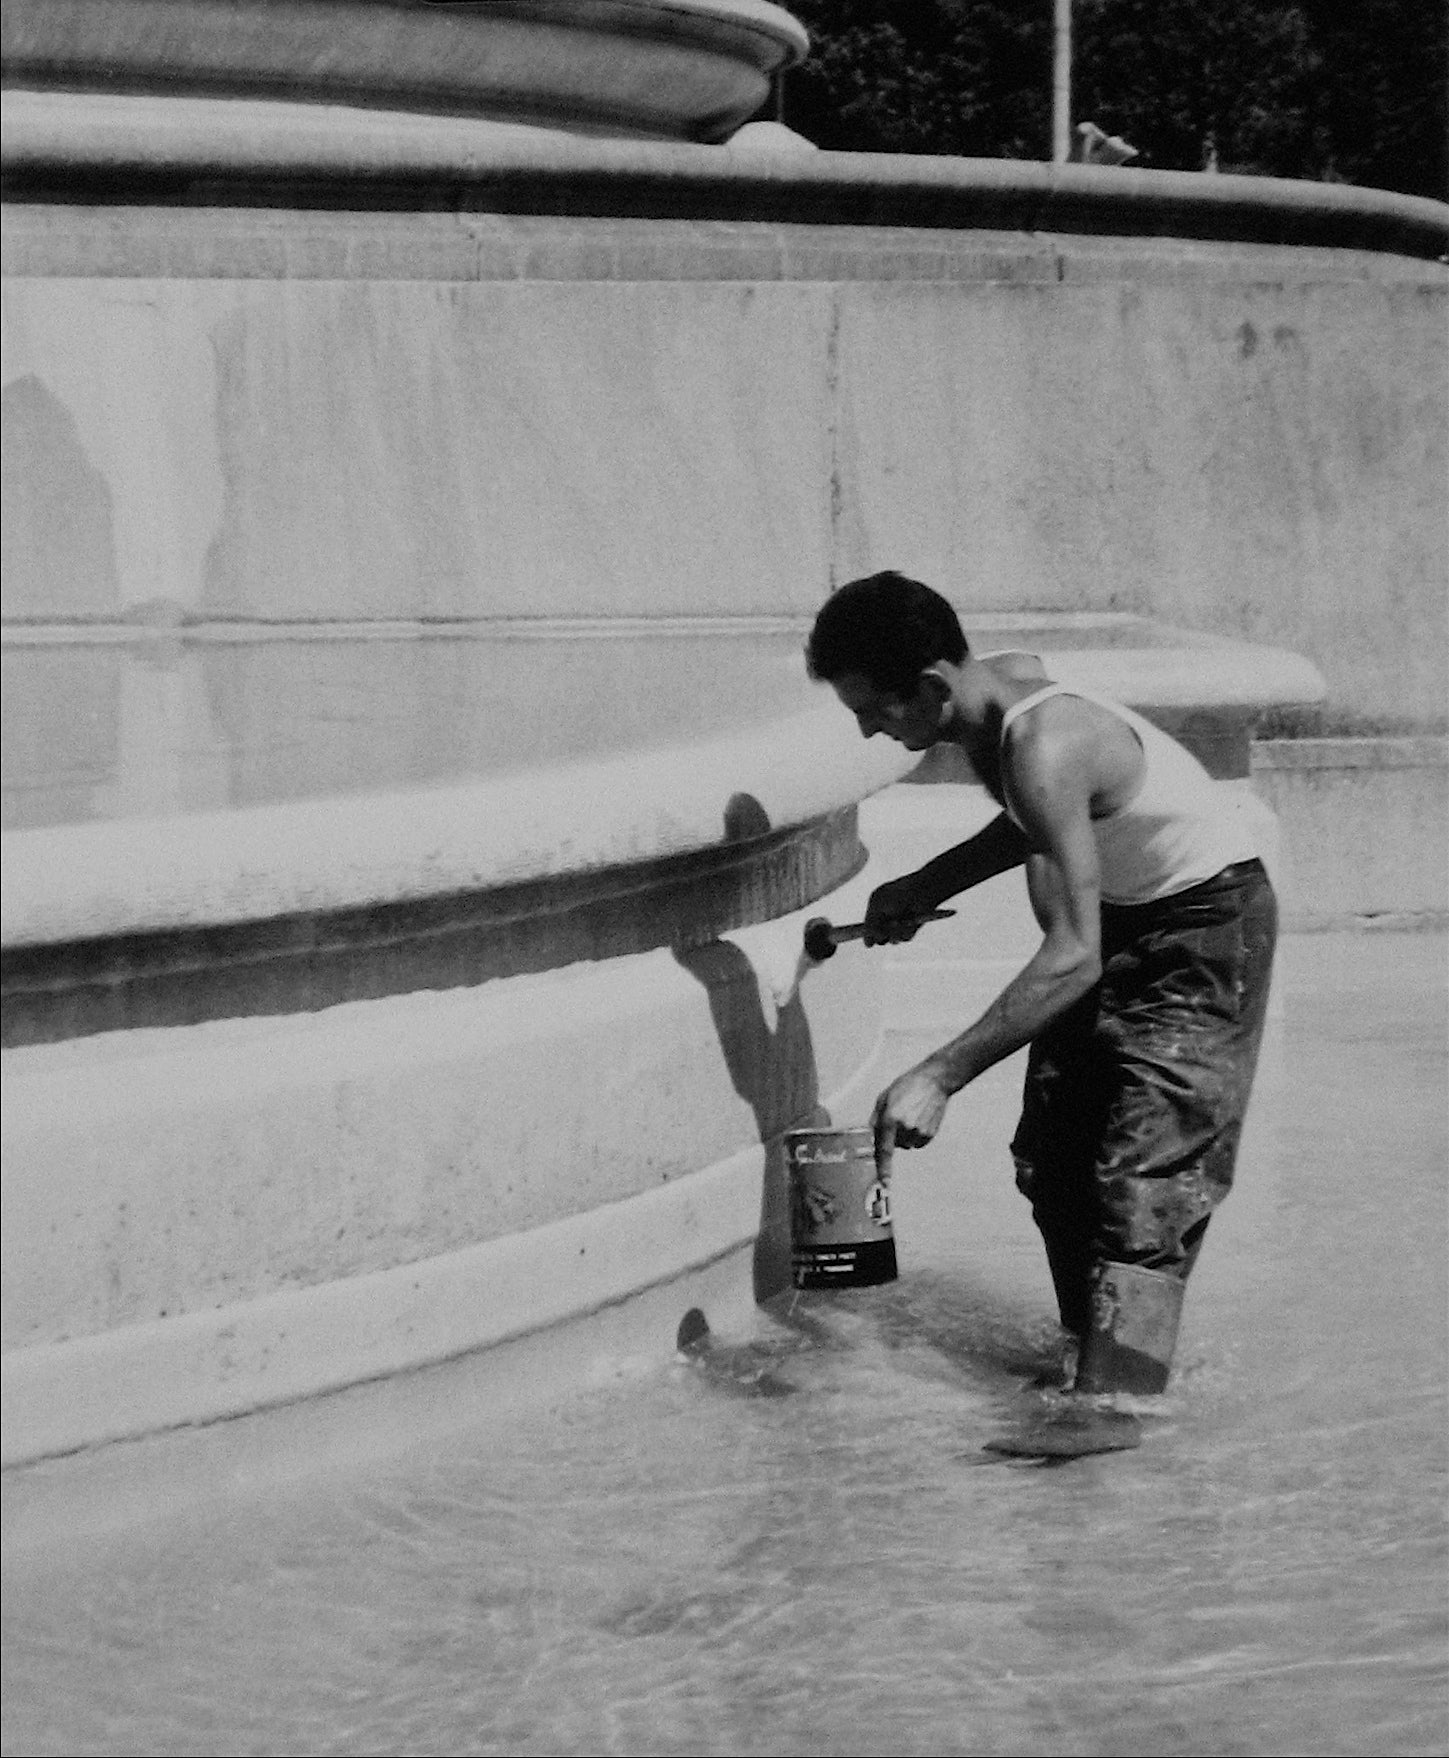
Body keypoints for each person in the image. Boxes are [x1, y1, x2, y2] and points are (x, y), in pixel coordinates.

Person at [805, 571, 1278, 1395]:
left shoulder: (1041, 742)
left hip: (1205, 929)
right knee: (1054, 1158)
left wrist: (937, 1073)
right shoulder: (999, 692)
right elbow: (1040, 814)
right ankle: (1090, 1356)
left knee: (1144, 1179)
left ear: (928, 686)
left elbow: (1072, 955)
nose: (869, 732)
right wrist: (929, 883)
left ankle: (1116, 1403)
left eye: (873, 710)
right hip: (1134, 917)